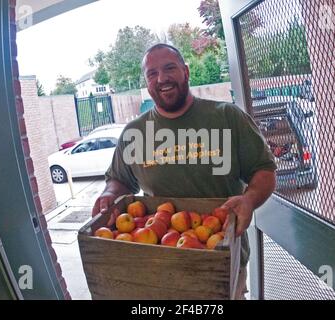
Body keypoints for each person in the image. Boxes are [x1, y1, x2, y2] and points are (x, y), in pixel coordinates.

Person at [92, 43, 277, 299]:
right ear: (146, 83)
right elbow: (119, 181)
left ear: (186, 72)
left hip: (221, 263)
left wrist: (249, 199)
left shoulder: (227, 117)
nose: (162, 78)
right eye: (152, 73)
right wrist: (109, 195)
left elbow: (264, 170)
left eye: (170, 68)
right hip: (160, 266)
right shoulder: (134, 133)